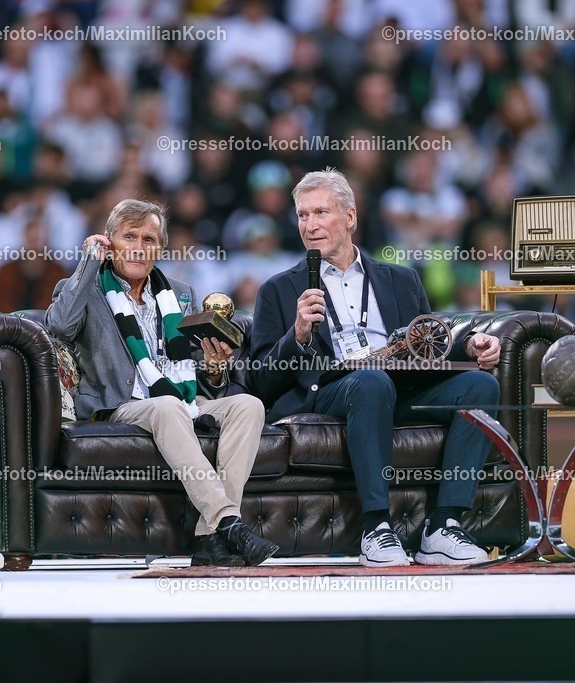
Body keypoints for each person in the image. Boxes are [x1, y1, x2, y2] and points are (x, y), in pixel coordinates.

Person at [250, 168, 501, 566]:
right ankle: (377, 528)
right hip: (333, 392)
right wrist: (296, 336)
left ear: (349, 217)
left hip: (400, 387)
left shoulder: (401, 280)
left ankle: (443, 526)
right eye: (302, 215)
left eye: (321, 213)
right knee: (370, 382)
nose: (310, 225)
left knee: (480, 386)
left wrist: (471, 344)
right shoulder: (279, 289)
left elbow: (426, 339)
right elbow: (260, 381)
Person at [45, 198, 278, 567]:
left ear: (161, 248)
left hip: (181, 400)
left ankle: (207, 536)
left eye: (149, 238)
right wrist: (89, 262)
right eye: (129, 236)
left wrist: (215, 367)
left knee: (248, 405)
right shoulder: (82, 287)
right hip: (120, 403)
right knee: (167, 407)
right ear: (110, 242)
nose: (139, 246)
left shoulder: (180, 294)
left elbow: (200, 376)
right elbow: (58, 326)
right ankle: (229, 521)